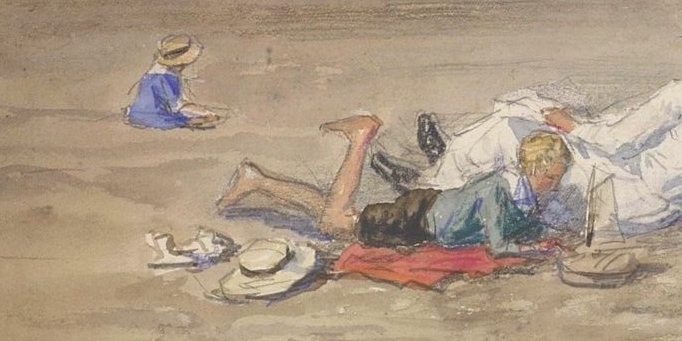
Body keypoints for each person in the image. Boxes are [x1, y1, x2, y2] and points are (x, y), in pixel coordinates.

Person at [377, 6, 682, 235]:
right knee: (539, 128)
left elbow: (616, 142)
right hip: (648, 217)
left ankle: (429, 189)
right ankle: (446, 162)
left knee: (512, 123)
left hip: (604, 198)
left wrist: (572, 125)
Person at [216, 115, 573, 254]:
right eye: (550, 178)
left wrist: (543, 233)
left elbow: (511, 224)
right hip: (415, 220)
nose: (554, 186)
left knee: (335, 214)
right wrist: (539, 249)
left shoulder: (520, 190)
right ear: (531, 168)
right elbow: (498, 245)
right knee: (335, 221)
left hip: (427, 208)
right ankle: (360, 138)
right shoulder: (500, 190)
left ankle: (256, 180)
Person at [125, 34, 220, 129]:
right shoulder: (168, 77)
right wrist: (206, 113)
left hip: (138, 113)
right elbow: (177, 105)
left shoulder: (153, 72)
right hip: (154, 117)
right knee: (202, 119)